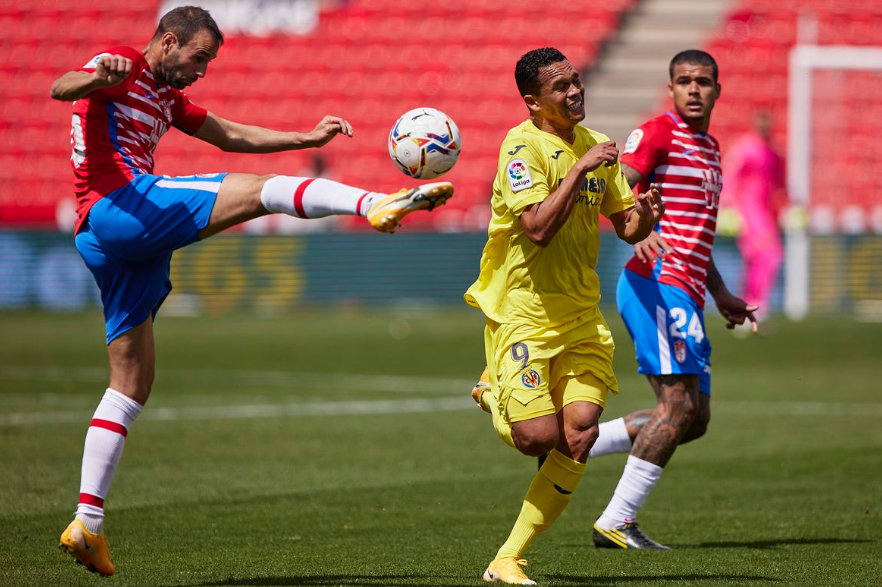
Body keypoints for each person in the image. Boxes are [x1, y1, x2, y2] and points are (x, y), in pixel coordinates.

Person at [50, 6, 453, 577]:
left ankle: (87, 524)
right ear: (168, 41)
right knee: (263, 192)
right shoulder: (123, 65)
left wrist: (304, 136)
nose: (202, 71)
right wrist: (97, 76)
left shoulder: (167, 97)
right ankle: (373, 203)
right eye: (198, 58)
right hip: (119, 208)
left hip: (110, 239)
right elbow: (60, 86)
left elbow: (230, 134)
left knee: (132, 384)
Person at [465, 47, 664, 585]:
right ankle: (492, 390)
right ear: (533, 102)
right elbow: (535, 228)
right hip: (526, 315)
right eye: (560, 88)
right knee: (535, 437)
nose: (575, 91)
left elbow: (625, 226)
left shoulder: (596, 146)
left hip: (580, 318)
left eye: (575, 81)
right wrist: (579, 167)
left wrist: (644, 219)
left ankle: (509, 557)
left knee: (578, 435)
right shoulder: (521, 147)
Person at [584, 50, 758, 550]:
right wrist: (632, 230)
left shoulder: (711, 148)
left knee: (694, 418)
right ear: (671, 89)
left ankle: (577, 442)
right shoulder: (658, 132)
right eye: (684, 81)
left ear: (718, 90)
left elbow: (696, 232)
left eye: (703, 81)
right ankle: (616, 521)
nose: (694, 89)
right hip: (654, 282)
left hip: (687, 287)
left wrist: (721, 292)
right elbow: (616, 188)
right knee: (676, 405)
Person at [723, 111, 785, 318]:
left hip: (764, 212)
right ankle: (753, 304)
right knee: (769, 254)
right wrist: (729, 206)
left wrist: (790, 205)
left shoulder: (773, 153)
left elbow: (780, 183)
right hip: (748, 211)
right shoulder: (746, 148)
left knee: (761, 258)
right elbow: (731, 176)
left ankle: (751, 304)